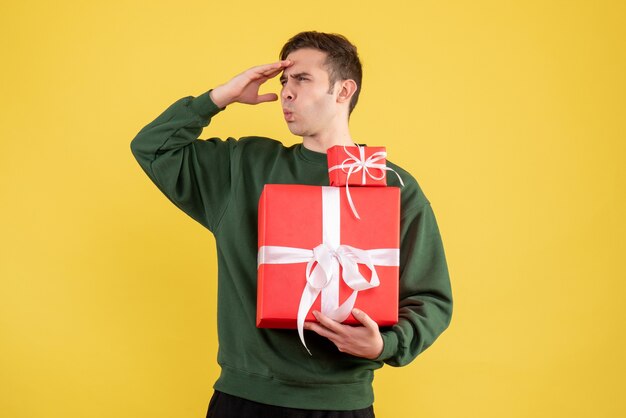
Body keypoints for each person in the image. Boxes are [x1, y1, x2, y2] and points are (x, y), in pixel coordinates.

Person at [130, 31, 453, 418]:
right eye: (283, 80)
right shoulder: (243, 167)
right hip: (244, 399)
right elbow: (153, 147)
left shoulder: (391, 184)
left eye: (301, 79)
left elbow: (432, 297)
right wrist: (222, 97)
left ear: (343, 90)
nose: (285, 92)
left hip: (340, 404)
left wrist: (386, 345)